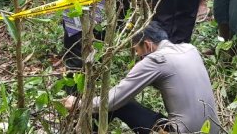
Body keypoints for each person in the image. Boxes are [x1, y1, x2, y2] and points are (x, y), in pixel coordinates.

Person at [62, 22, 220, 134]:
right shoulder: (190, 49)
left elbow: (113, 100)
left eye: (137, 51)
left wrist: (79, 104)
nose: (138, 56)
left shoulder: (155, 60)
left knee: (121, 104)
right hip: (212, 130)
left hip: (182, 131)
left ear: (148, 45)